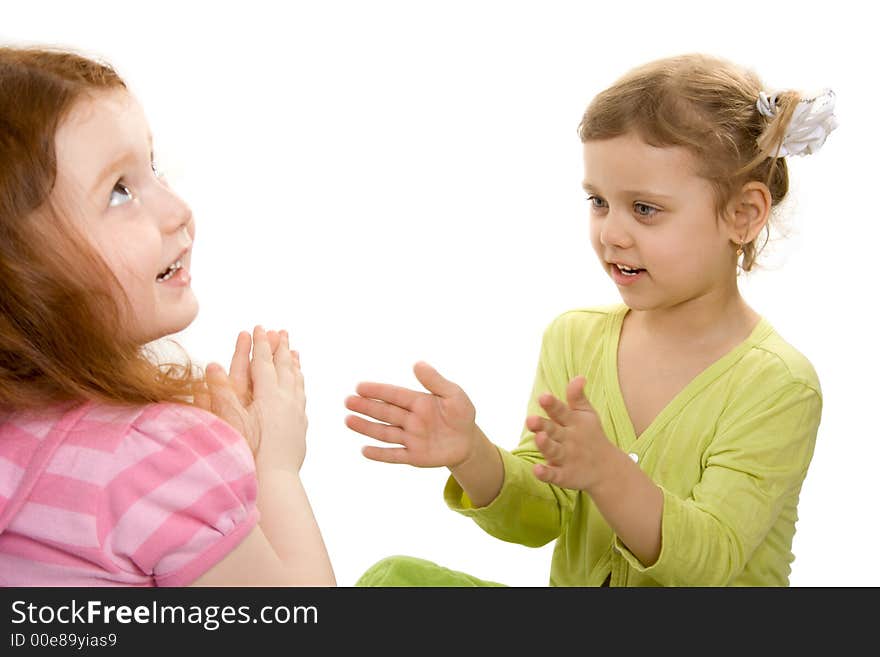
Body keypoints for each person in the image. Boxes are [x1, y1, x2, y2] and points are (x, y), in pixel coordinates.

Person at [345, 53, 837, 587]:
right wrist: (472, 454)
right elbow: (542, 517)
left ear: (742, 215)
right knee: (394, 580)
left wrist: (607, 472)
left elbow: (708, 561)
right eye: (599, 202)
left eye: (645, 209)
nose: (612, 233)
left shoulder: (777, 383)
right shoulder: (574, 337)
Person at [0, 46, 334, 586]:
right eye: (119, 191)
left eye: (151, 167)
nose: (178, 211)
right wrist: (272, 468)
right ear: (21, 272)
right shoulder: (161, 460)